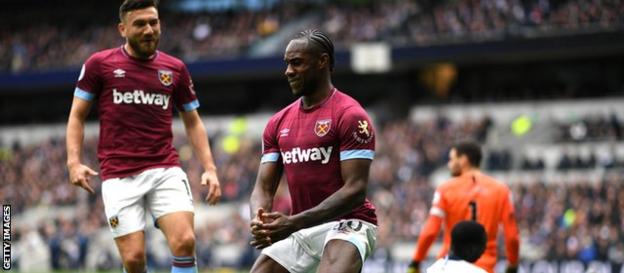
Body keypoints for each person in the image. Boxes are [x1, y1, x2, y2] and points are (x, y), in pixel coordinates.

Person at [65, 1, 221, 273]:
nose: (149, 29)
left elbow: (193, 121)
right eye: (140, 24)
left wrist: (210, 168)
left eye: (154, 22)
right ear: (122, 28)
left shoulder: (175, 69)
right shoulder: (99, 65)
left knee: (185, 241)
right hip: (119, 175)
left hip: (165, 169)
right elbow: (77, 116)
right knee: (134, 260)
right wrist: (73, 162)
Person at [248, 29, 378, 273]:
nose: (288, 71)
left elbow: (356, 190)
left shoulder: (350, 116)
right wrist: (259, 218)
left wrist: (294, 222)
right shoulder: (277, 123)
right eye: (287, 64)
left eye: (297, 63)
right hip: (304, 228)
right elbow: (263, 187)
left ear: (322, 62)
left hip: (349, 222)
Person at [407, 141, 519, 273]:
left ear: (464, 160)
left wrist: (416, 261)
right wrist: (512, 264)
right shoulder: (501, 190)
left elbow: (431, 230)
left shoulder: (446, 189)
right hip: (484, 266)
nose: (449, 164)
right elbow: (512, 236)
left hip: (449, 266)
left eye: (452, 159)